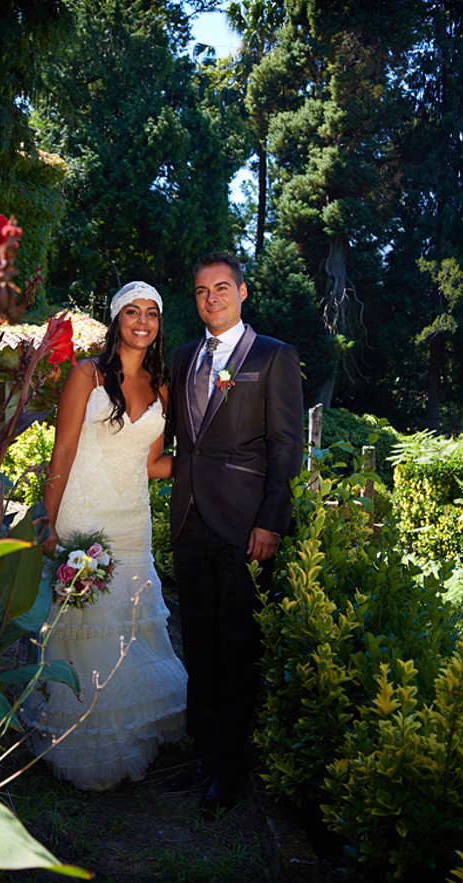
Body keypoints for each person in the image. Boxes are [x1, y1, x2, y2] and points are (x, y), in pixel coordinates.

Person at [25, 281, 187, 791]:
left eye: (153, 313)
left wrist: (210, 464)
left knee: (128, 626)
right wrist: (47, 524)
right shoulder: (86, 376)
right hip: (85, 519)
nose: (143, 321)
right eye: (133, 312)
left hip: (132, 523)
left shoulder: (162, 386)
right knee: (87, 633)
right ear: (116, 319)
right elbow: (64, 453)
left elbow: (155, 464)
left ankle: (128, 734)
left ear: (160, 324)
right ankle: (84, 745)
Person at [168, 252, 304, 819]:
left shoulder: (273, 357)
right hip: (190, 520)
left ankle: (228, 769)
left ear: (243, 293)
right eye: (202, 291)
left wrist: (271, 520)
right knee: (197, 644)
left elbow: (286, 448)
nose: (212, 299)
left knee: (237, 647)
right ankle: (202, 752)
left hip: (248, 526)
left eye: (222, 288)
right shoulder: (181, 358)